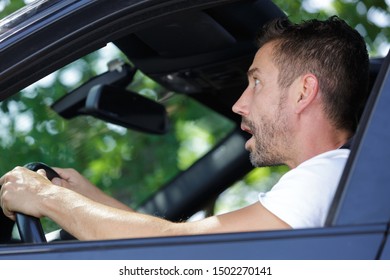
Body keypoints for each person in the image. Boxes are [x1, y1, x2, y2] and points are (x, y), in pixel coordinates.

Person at [0, 16, 369, 240]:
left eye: (256, 82)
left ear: (304, 91)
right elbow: (185, 247)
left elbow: (177, 250)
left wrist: (49, 199)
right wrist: (88, 199)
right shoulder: (340, 182)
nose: (239, 103)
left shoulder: (329, 177)